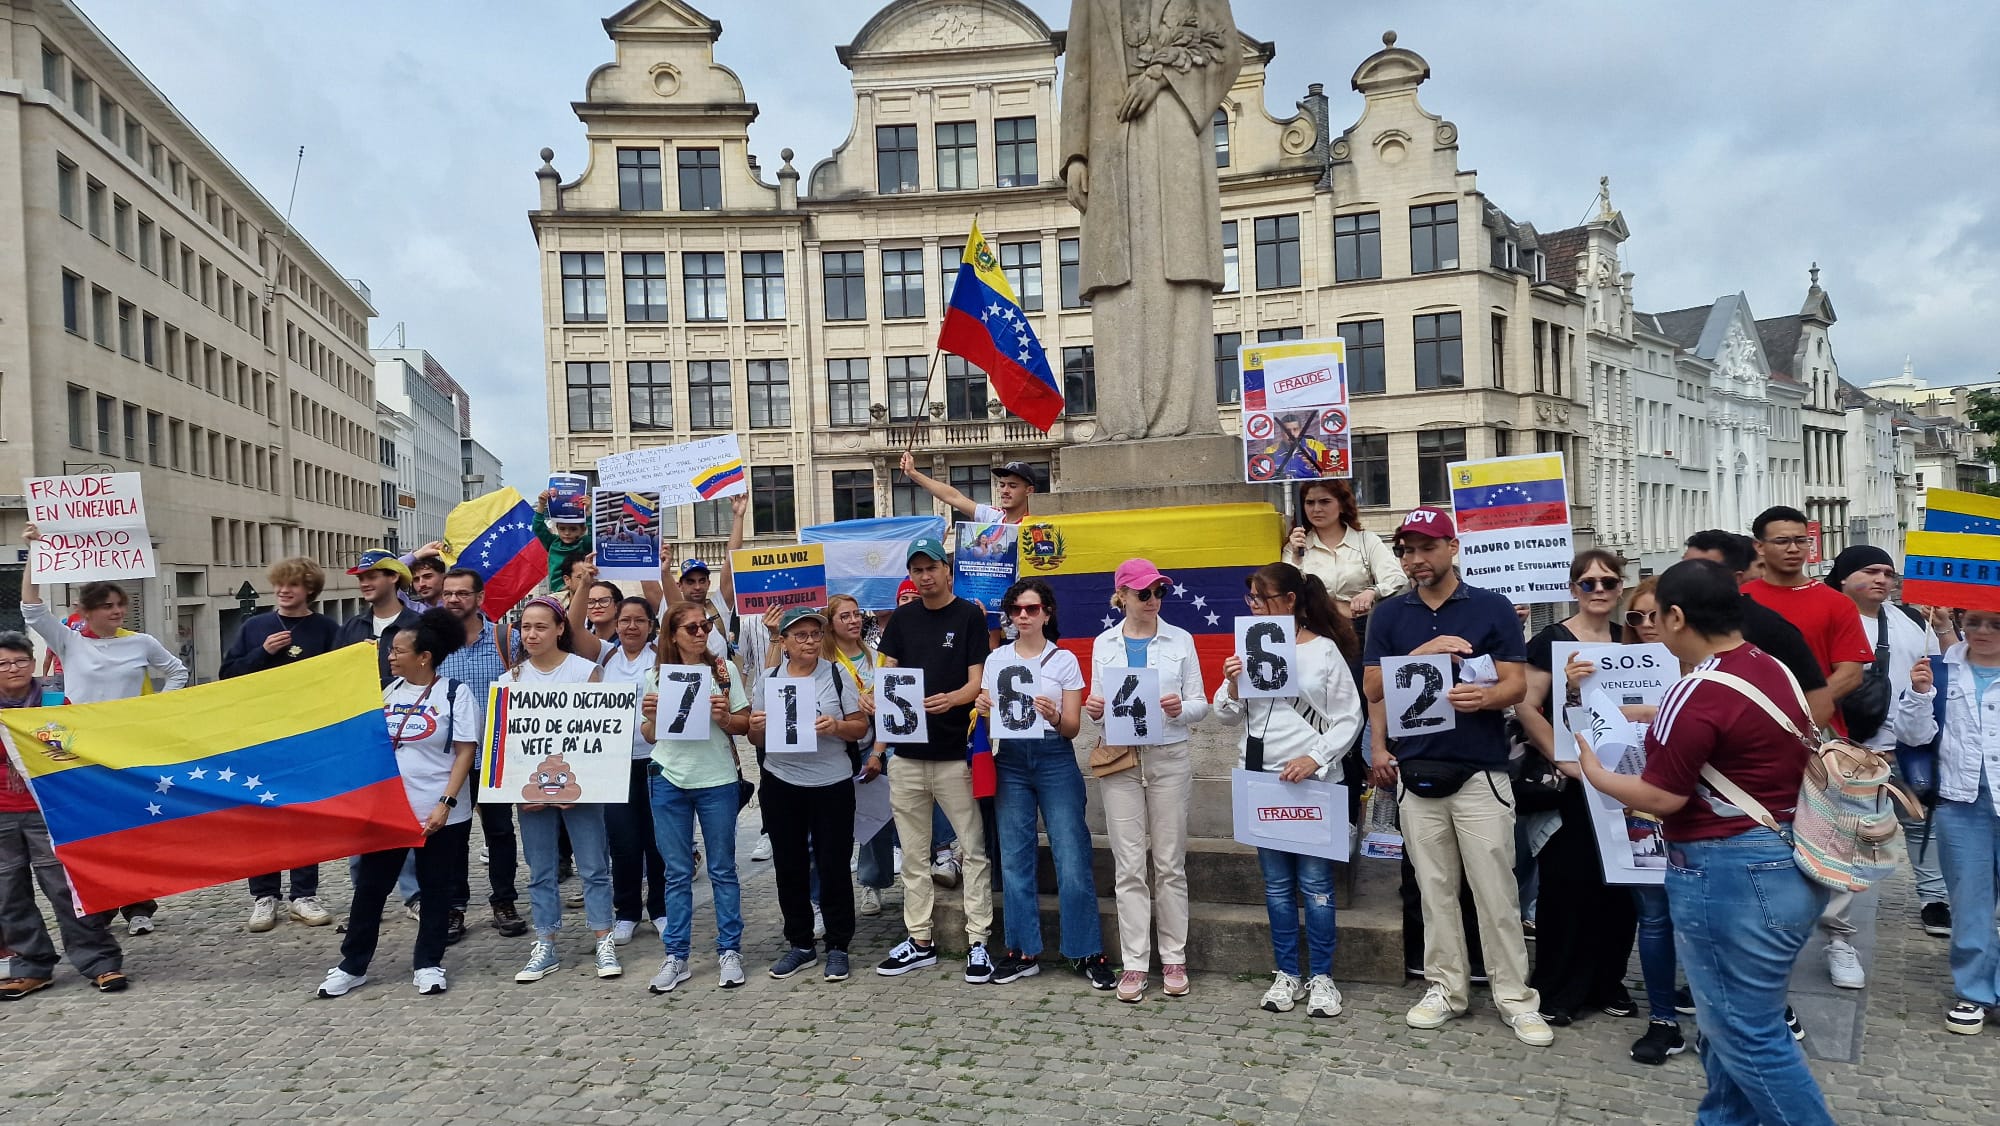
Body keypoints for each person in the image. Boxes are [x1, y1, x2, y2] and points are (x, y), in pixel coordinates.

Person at [1578, 559, 1836, 1126]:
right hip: (1784, 859)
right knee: (1729, 1028)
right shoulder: (1771, 669)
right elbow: (1734, 734)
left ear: (1675, 616)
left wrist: (1594, 772)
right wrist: (1651, 715)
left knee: (1747, 1036)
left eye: (1655, 616)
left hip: (1726, 874)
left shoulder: (1693, 691)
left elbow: (1661, 798)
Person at [1361, 507, 1549, 1046]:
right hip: (1419, 768)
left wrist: (1484, 697)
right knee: (1433, 888)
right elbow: (1374, 689)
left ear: (1451, 547)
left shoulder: (1490, 607)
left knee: (1495, 889)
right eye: (1406, 550)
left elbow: (1515, 684)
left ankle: (1514, 995)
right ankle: (1446, 986)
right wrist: (1421, 653)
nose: (1416, 560)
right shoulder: (1390, 615)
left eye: (1426, 548)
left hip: (1481, 769)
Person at [20, 525, 187, 937]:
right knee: (90, 828)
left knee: (131, 825)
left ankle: (139, 904)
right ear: (87, 611)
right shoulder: (70, 642)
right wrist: (33, 552)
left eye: (120, 605)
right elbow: (32, 609)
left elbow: (177, 672)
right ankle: (98, 903)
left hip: (128, 744)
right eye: (107, 606)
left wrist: (153, 710)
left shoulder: (141, 642)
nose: (116, 611)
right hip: (80, 748)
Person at [1214, 563, 1362, 1018]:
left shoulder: (1323, 652)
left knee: (1316, 885)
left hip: (1312, 783)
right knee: (1276, 886)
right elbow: (1226, 715)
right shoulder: (1249, 646)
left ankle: (1321, 975)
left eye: (1262, 597)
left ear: (1291, 600)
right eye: (1250, 600)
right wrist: (1232, 682)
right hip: (1262, 779)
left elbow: (1348, 716)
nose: (1255, 606)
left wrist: (1316, 758)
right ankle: (1287, 974)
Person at [316, 609, 478, 999]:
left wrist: (446, 802)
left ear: (424, 656)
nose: (391, 655)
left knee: (437, 890)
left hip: (440, 811)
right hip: (388, 811)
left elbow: (464, 753)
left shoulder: (455, 693)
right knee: (371, 888)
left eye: (399, 650)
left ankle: (428, 963)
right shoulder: (386, 693)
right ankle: (352, 965)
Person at [1514, 550, 1639, 1026]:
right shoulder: (1553, 639)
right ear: (1574, 589)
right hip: (1574, 784)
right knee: (1568, 885)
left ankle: (1608, 981)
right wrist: (1561, 758)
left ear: (1620, 587)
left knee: (1619, 886)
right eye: (1589, 583)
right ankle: (1559, 987)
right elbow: (1527, 705)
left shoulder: (1630, 641)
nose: (1600, 589)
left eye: (1608, 582)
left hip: (1624, 779)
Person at [975, 578, 1116, 990]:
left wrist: (1054, 715)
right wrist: (982, 708)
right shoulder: (997, 658)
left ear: (1047, 613)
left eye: (1032, 609)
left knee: (1071, 855)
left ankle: (1086, 949)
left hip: (1054, 756)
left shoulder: (1064, 660)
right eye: (1017, 609)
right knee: (1015, 857)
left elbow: (1072, 728)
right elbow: (988, 721)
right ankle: (1022, 950)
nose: (1024, 616)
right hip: (1011, 760)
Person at [1085, 557, 1210, 1002]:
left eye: (1159, 592)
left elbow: (1201, 704)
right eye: (1144, 593)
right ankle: (1135, 962)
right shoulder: (1104, 644)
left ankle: (1174, 956)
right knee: (1128, 863)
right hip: (1121, 758)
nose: (1153, 600)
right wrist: (1094, 708)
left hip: (1168, 756)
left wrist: (1182, 708)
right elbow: (1099, 701)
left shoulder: (1181, 639)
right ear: (1122, 596)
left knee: (1170, 861)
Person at [869, 537, 995, 982]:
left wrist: (954, 700)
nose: (924, 577)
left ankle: (979, 941)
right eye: (917, 570)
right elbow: (886, 672)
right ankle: (919, 939)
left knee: (972, 849)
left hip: (954, 754)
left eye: (931, 568)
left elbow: (976, 682)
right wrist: (876, 700)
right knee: (914, 855)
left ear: (947, 570)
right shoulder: (901, 619)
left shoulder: (968, 617)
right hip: (906, 756)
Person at [1821, 545, 1940, 989]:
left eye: (1888, 573)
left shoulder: (1910, 622)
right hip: (1843, 751)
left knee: (1920, 827)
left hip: (1900, 750)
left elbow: (1931, 680)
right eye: (1870, 571)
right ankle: (1839, 939)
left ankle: (1934, 899)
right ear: (1844, 576)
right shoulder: (1829, 616)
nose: (1882, 580)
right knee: (1843, 849)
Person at [0, 631, 128, 999]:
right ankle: (31, 964)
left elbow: (70, 748)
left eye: (21, 661)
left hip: (48, 809)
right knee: (9, 892)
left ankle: (99, 961)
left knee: (66, 887)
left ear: (32, 663)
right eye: (4, 663)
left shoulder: (54, 701)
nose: (14, 669)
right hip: (3, 812)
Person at [223, 557, 343, 934]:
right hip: (259, 734)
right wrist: (263, 653)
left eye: (292, 584)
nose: (283, 590)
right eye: (278, 584)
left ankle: (303, 894)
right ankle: (264, 895)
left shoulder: (326, 629)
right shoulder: (254, 627)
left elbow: (338, 679)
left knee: (303, 815)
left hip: (306, 735)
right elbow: (229, 676)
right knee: (260, 814)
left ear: (309, 589)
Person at [1609, 578, 1699, 1065]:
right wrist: (1578, 691)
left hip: (1702, 810)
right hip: (1638, 807)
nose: (1647, 626)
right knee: (1655, 918)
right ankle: (1663, 1018)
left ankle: (1717, 1017)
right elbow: (1580, 732)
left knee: (1706, 920)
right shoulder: (1610, 669)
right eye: (1637, 618)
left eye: (1656, 615)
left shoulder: (1710, 672)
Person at [505, 597, 618, 983]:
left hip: (580, 790)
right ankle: (546, 941)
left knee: (593, 868)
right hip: (532, 793)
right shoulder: (512, 679)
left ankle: (604, 939)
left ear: (559, 630)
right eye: (525, 627)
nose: (532, 634)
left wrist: (579, 785)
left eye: (540, 626)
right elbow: (509, 744)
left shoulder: (586, 672)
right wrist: (522, 789)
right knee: (540, 870)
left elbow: (597, 735)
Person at [752, 608, 867, 983]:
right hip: (782, 781)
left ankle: (838, 946)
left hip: (831, 783)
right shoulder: (768, 680)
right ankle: (800, 944)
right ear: (783, 642)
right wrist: (758, 727)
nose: (810, 642)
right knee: (789, 866)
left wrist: (835, 726)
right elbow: (755, 738)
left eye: (815, 635)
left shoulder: (835, 675)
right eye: (800, 636)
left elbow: (860, 728)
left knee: (834, 865)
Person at [641, 602, 750, 994]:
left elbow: (744, 723)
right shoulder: (656, 675)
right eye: (691, 628)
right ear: (672, 635)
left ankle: (730, 950)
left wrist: (724, 718)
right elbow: (651, 735)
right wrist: (650, 716)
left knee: (722, 868)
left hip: (716, 778)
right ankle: (677, 955)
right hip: (669, 776)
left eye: (704, 626)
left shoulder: (724, 671)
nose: (701, 633)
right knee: (676, 871)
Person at [436, 569, 527, 940]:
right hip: (450, 758)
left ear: (479, 597)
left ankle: (504, 901)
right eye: (448, 593)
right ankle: (454, 906)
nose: (453, 599)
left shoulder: (509, 639)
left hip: (497, 755)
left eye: (461, 593)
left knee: (500, 832)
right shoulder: (434, 642)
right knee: (454, 835)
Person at [1742, 507, 1872, 731]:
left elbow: (1850, 674)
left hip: (1816, 730)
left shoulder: (1836, 603)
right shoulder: (1738, 599)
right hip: (1747, 726)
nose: (1793, 549)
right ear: (1760, 547)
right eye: (1782, 541)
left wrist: (1799, 708)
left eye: (1801, 540)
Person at [1933, 604, 2000, 1036]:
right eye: (1973, 622)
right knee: (1969, 899)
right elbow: (1915, 735)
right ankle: (1974, 992)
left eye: (1995, 624)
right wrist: (1920, 697)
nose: (1982, 631)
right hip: (1961, 802)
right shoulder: (1941, 670)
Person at [1682, 531, 1830, 723]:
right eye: (1684, 566)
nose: (1686, 577)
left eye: (1703, 570)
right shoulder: (1667, 618)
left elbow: (1820, 701)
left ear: (1735, 578)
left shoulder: (1769, 628)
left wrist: (1792, 751)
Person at [591, 596, 667, 946]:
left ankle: (661, 908)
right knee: (622, 840)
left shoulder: (663, 658)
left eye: (639, 620)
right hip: (616, 762)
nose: (631, 627)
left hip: (658, 759)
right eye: (625, 620)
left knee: (658, 839)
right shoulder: (604, 657)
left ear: (652, 624)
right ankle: (627, 912)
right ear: (615, 624)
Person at [828, 595, 894, 918]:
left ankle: (873, 883)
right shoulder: (826, 661)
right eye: (844, 616)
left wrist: (879, 753)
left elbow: (891, 712)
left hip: (872, 745)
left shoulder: (878, 659)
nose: (853, 621)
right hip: (836, 749)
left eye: (856, 615)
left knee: (874, 817)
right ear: (831, 623)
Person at [1287, 479, 1406, 629]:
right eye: (1309, 502)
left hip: (1361, 628)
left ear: (1342, 505)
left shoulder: (1366, 540)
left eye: (1325, 502)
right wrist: (1296, 559)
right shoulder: (1295, 546)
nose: (1316, 509)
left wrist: (1373, 592)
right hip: (1314, 628)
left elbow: (1397, 579)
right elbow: (1287, 593)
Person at [338, 549, 423, 686]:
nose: (364, 584)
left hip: (407, 706)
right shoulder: (351, 627)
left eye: (372, 577)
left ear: (394, 577)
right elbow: (338, 673)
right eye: (361, 578)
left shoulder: (420, 625)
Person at [898, 452, 1036, 526]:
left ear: (1029, 490)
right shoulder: (994, 516)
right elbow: (952, 497)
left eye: (1012, 486)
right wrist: (913, 473)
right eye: (1002, 485)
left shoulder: (1035, 524)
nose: (1005, 491)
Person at [533, 490, 593, 595]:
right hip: (558, 591)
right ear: (557, 528)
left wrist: (588, 511)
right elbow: (538, 528)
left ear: (582, 530)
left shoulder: (584, 543)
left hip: (581, 590)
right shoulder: (552, 542)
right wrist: (542, 504)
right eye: (562, 529)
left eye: (573, 529)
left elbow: (596, 536)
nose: (567, 533)